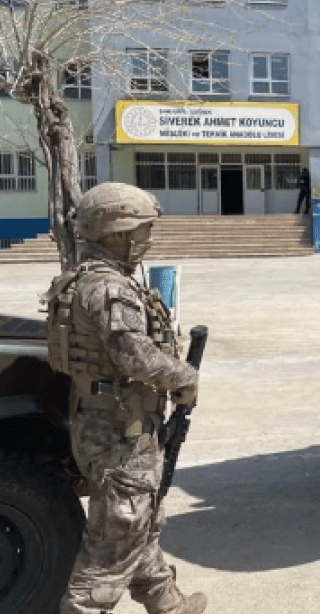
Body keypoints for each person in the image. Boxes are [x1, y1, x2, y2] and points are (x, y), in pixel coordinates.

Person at [44, 183, 206, 614]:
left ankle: (164, 601)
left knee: (139, 518)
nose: (147, 238)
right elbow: (135, 357)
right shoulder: (108, 289)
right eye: (142, 229)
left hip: (108, 420)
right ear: (116, 232)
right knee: (117, 532)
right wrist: (184, 377)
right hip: (118, 428)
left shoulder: (88, 278)